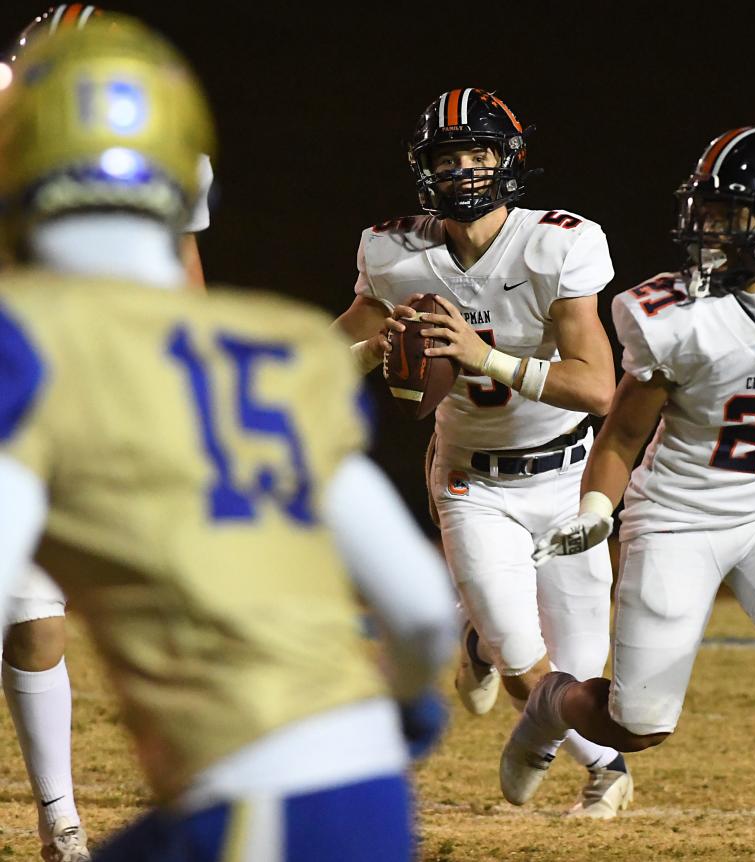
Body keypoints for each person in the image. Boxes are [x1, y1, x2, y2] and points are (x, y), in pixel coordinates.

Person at [0, 15, 457, 860]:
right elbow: (424, 607)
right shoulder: (274, 343)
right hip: (366, 790)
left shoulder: (32, 338)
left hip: (255, 796)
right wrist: (400, 706)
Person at [505, 126, 755, 860]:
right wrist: (595, 509)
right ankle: (555, 702)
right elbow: (618, 437)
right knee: (637, 726)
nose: (708, 233)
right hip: (678, 520)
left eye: (729, 217)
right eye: (705, 213)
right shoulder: (673, 316)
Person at [334, 87, 634, 818]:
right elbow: (316, 364)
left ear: (509, 159)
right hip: (473, 480)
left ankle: (479, 644)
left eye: (479, 154)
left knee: (581, 671)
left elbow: (599, 388)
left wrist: (483, 357)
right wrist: (369, 349)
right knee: (529, 669)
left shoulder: (556, 243)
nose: (464, 170)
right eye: (449, 157)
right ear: (423, 167)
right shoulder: (394, 251)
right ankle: (608, 767)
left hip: (567, 474)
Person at [0, 7, 214, 860]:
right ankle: (62, 815)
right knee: (33, 611)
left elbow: (185, 279)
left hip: (103, 403)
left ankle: (79, 813)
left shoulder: (166, 146)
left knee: (77, 613)